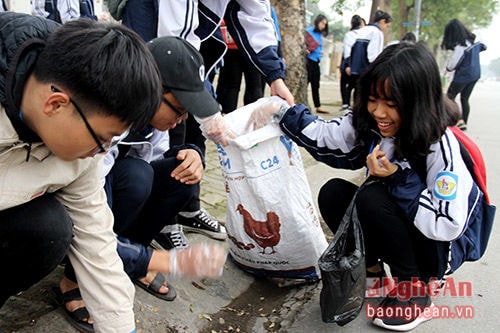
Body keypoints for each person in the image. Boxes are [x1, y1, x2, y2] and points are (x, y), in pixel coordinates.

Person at [247, 42, 485, 331]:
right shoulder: (370, 121)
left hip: (436, 247)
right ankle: (374, 277)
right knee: (334, 193)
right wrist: (282, 112)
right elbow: (326, 136)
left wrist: (397, 178)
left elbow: (447, 224)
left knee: (373, 196)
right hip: (400, 222)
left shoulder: (440, 146)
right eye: (373, 99)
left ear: (417, 102)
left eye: (392, 104)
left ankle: (416, 291)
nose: (379, 112)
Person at [0, 12, 161, 333]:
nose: (102, 152)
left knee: (51, 227)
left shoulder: (81, 153)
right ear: (56, 104)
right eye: (102, 139)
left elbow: (96, 245)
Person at [115, 0, 294, 249]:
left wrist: (275, 76)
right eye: (181, 110)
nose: (184, 117)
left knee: (174, 162)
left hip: (187, 48)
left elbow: (257, 18)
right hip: (164, 39)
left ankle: (157, 227)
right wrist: (212, 120)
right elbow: (176, 46)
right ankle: (146, 236)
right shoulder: (104, 124)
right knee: (134, 168)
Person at [441, 18, 486, 131]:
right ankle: (464, 122)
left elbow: (451, 66)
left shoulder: (460, 47)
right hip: (475, 75)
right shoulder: (472, 43)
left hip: (463, 76)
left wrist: (447, 67)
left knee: (449, 97)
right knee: (465, 99)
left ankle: (459, 121)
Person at [215, 17, 265, 114]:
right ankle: (247, 117)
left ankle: (248, 117)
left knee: (246, 87)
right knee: (248, 87)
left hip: (241, 48)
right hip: (245, 48)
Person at [348, 10, 392, 100]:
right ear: (383, 21)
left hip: (355, 69)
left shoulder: (362, 30)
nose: (386, 28)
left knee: (357, 93)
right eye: (387, 26)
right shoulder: (377, 32)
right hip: (367, 69)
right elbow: (373, 56)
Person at [339, 14, 365, 111]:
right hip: (360, 65)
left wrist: (347, 65)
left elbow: (347, 51)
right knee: (357, 86)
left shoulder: (350, 34)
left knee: (346, 85)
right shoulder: (364, 34)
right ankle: (356, 106)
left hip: (350, 63)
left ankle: (346, 103)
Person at [305, 14, 329, 114]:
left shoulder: (319, 34)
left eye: (325, 24)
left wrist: (321, 51)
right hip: (308, 61)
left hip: (316, 61)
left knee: (316, 85)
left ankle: (318, 106)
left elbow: (318, 46)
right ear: (317, 22)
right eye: (322, 23)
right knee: (305, 83)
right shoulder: (308, 32)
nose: (323, 26)